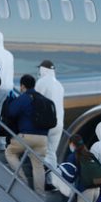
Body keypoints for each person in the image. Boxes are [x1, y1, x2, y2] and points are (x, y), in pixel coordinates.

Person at [4, 74, 50, 196]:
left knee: (10, 152)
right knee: (38, 165)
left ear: (22, 86)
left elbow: (11, 112)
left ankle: (23, 182)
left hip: (27, 137)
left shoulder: (24, 98)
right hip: (43, 138)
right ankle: (40, 195)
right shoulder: (42, 98)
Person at [35, 60, 65, 190]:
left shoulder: (42, 82)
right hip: (59, 123)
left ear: (43, 70)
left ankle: (41, 179)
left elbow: (35, 101)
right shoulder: (59, 85)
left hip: (46, 123)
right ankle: (51, 181)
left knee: (40, 151)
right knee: (52, 152)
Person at [64, 135, 101, 202]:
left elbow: (69, 176)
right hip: (96, 189)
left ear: (72, 144)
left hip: (86, 190)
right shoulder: (89, 154)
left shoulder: (73, 156)